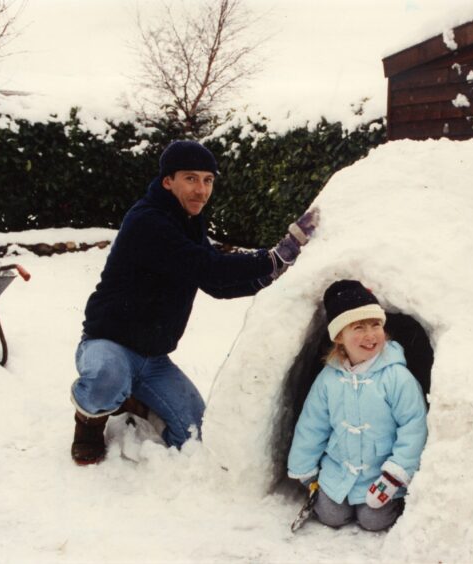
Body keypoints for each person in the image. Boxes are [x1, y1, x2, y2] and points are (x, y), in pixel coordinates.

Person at [70, 140, 318, 465]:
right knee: (107, 377)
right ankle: (89, 423)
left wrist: (265, 278)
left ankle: (133, 401)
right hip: (109, 344)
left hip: (153, 358)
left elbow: (214, 283)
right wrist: (272, 258)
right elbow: (204, 264)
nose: (201, 190)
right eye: (191, 178)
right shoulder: (148, 220)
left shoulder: (189, 223)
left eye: (208, 180)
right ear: (167, 181)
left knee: (195, 436)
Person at [287, 280, 428, 531]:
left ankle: (395, 502)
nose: (370, 335)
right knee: (331, 515)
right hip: (339, 468)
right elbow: (313, 424)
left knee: (373, 519)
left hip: (381, 471)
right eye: (358, 327)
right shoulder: (329, 379)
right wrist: (306, 470)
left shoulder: (396, 377)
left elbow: (414, 426)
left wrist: (394, 475)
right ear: (340, 336)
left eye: (376, 325)